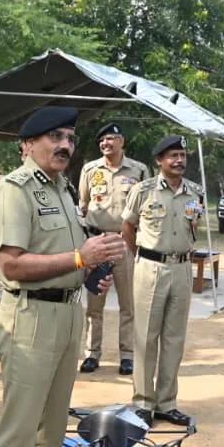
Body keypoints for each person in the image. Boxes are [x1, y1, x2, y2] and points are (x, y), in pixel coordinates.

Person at [0, 105, 124, 447]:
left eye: (68, 136)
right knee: (20, 430)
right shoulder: (14, 190)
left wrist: (88, 275)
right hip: (30, 320)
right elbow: (12, 265)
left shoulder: (64, 190)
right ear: (26, 145)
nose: (64, 144)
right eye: (52, 137)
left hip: (66, 315)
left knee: (51, 427)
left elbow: (64, 258)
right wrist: (80, 260)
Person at [123, 135, 204, 426]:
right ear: (159, 160)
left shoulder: (196, 192)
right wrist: (143, 256)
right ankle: (143, 402)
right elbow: (127, 227)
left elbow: (193, 228)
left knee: (174, 338)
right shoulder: (142, 191)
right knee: (146, 336)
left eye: (182, 155)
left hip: (182, 269)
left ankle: (167, 403)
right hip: (150, 268)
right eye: (172, 156)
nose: (179, 161)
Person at [78, 123, 148, 375]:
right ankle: (91, 354)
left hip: (125, 243)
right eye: (102, 140)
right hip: (98, 244)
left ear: (122, 141)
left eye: (111, 138)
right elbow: (83, 206)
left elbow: (145, 208)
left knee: (128, 303)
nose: (106, 143)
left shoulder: (139, 170)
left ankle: (127, 355)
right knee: (94, 304)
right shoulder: (89, 169)